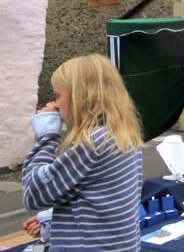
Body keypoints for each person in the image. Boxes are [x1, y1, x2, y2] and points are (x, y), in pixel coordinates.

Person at [22, 54, 143, 252]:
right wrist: (53, 218)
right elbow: (101, 201)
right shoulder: (123, 136)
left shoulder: (92, 144)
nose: (55, 103)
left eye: (58, 95)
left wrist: (46, 136)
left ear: (81, 96)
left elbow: (33, 194)